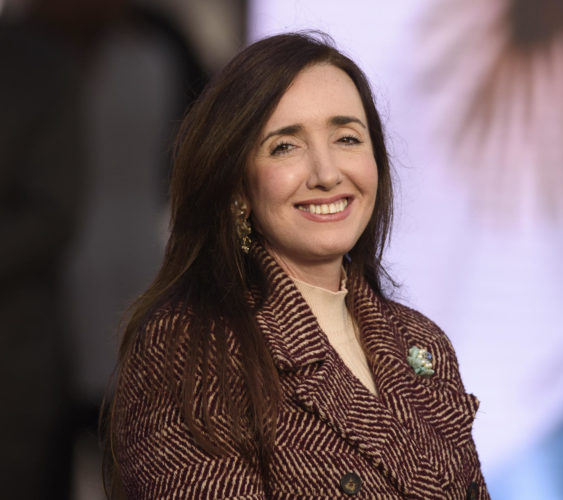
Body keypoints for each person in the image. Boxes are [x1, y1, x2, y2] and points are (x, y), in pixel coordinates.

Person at [104, 32, 488, 499]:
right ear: (238, 187)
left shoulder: (422, 344)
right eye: (285, 146)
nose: (327, 173)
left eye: (347, 138)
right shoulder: (192, 351)